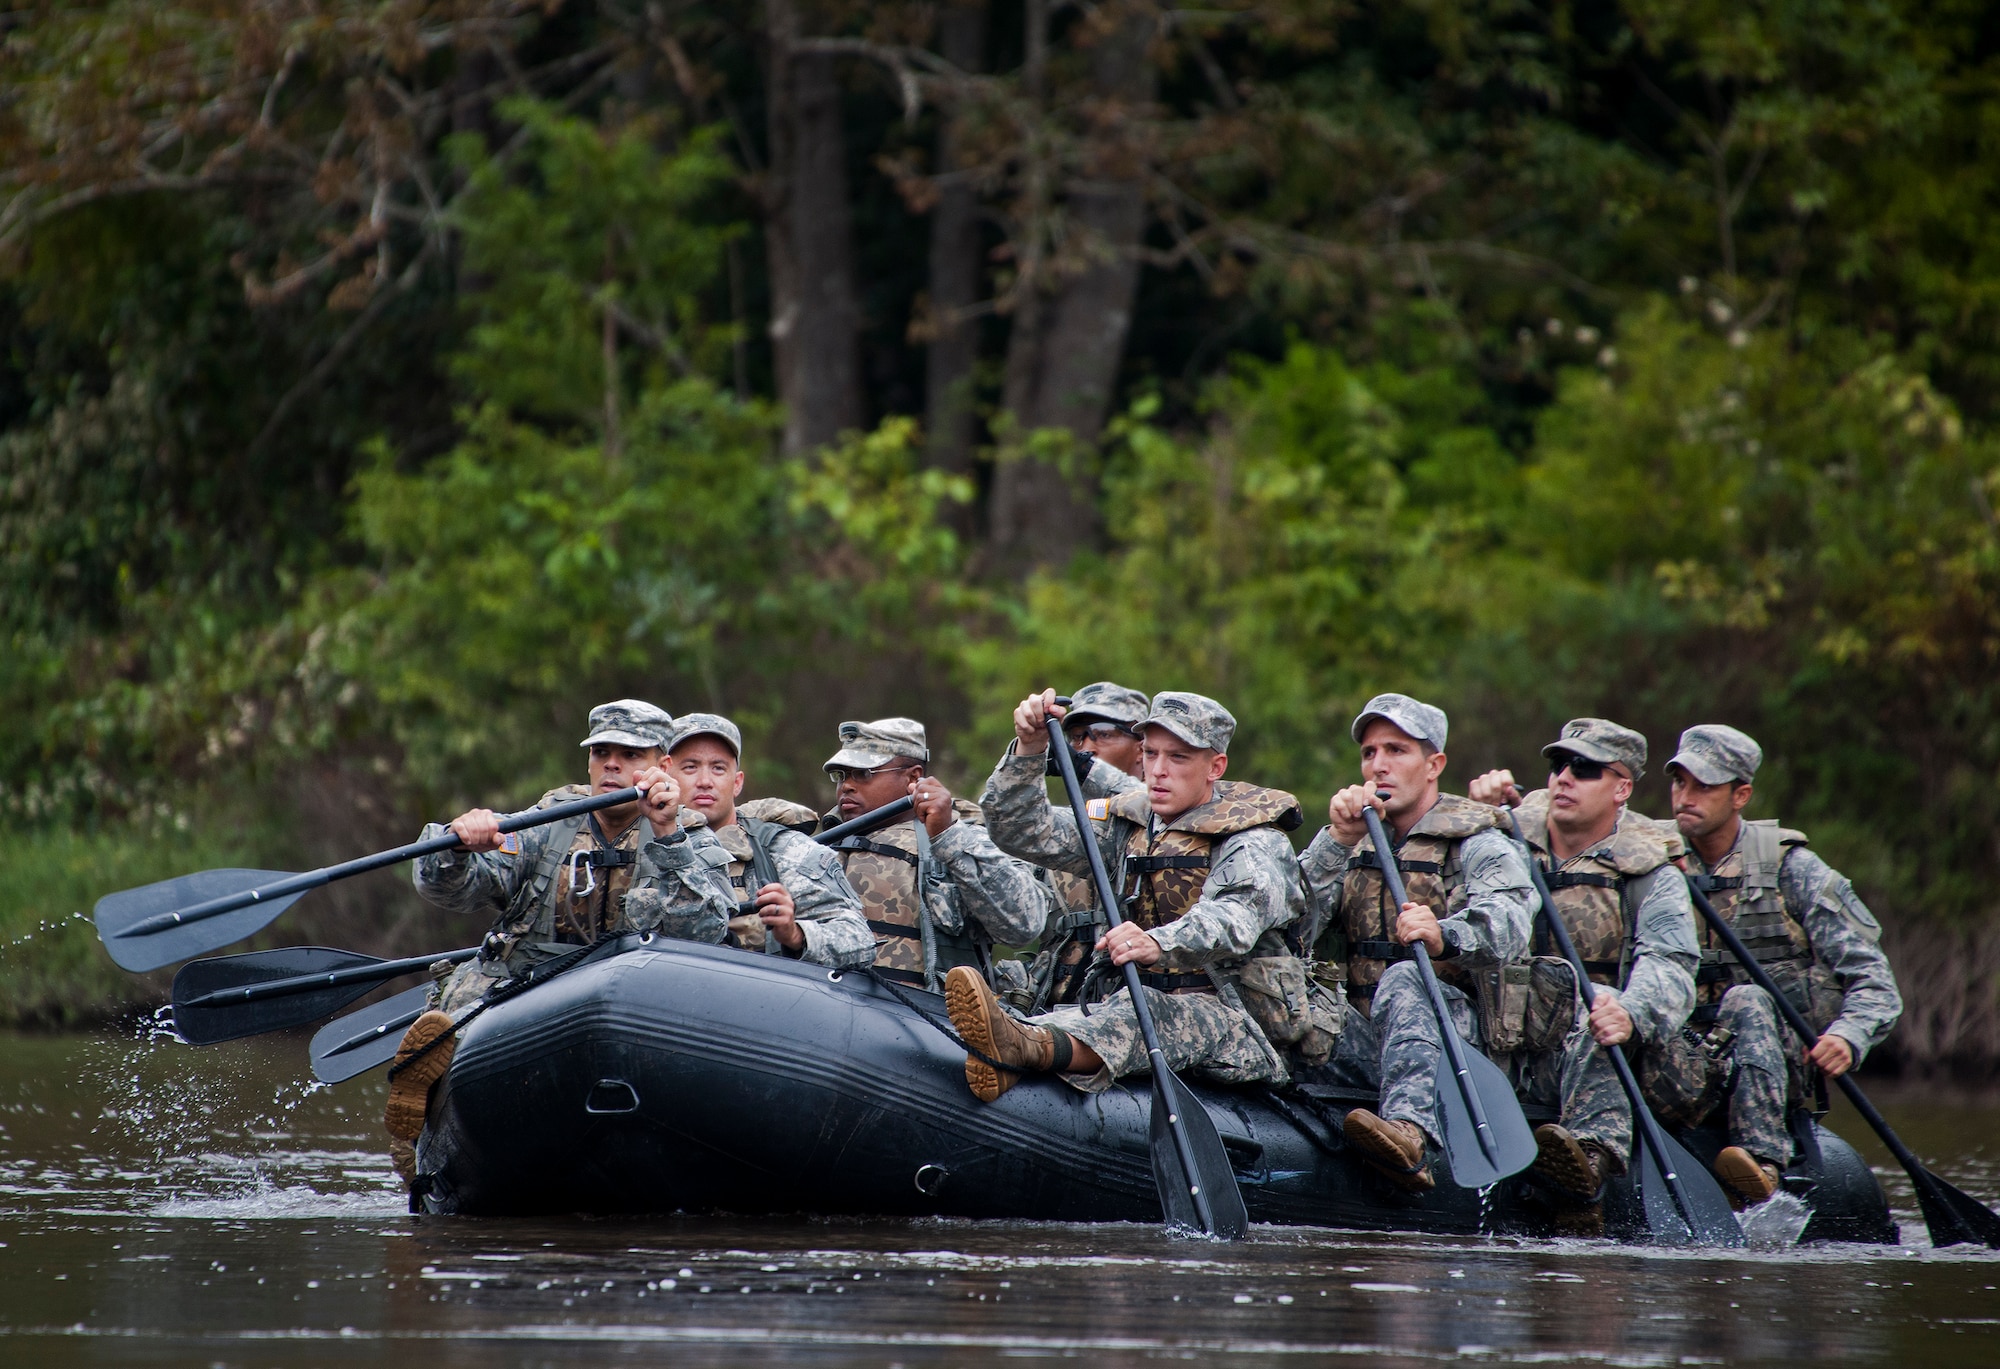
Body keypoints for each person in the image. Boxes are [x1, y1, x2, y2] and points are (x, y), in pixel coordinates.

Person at [384, 700, 737, 1149]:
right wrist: (455, 848)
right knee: (471, 1010)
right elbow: (451, 890)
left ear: (662, 766)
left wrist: (668, 835)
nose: (612, 764)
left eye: (630, 754)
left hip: (632, 1013)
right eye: (601, 752)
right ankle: (430, 1127)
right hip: (522, 996)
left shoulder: (689, 836)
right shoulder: (546, 824)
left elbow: (706, 932)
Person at [950, 690, 1319, 1103]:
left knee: (1147, 1011)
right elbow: (1022, 831)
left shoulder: (1254, 839)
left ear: (1215, 767)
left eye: (1177, 757)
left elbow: (1234, 918)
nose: (1157, 770)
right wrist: (1029, 749)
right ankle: (1016, 1047)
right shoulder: (1129, 824)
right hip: (1131, 1002)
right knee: (1118, 1007)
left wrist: (1158, 942)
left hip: (1239, 1025)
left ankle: (1025, 1049)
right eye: (1151, 753)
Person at [1296, 694, 1538, 1191]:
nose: (1378, 765)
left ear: (1434, 765)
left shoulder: (1478, 841)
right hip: (1370, 1038)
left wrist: (1447, 934)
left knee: (1406, 976)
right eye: (1369, 753)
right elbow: (1290, 925)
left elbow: (1512, 920)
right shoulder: (1353, 840)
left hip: (1458, 1040)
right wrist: (1334, 841)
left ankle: (1409, 1132)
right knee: (1281, 988)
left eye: (1396, 750)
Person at [1654, 724, 1904, 1206]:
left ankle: (1761, 1163)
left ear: (1741, 795)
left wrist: (1848, 1036)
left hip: (1774, 1061)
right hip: (1682, 1061)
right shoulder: (1651, 855)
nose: (1685, 797)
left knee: (1748, 1000)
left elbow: (1874, 981)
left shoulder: (1794, 868)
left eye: (1703, 786)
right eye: (1679, 782)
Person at [1468, 719, 1698, 1235]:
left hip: (1594, 1048)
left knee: (1605, 1002)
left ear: (1622, 788)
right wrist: (1480, 812)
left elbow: (1671, 965)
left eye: (1585, 769)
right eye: (1558, 765)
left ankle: (1588, 1162)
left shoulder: (1651, 875)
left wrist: (1631, 1011)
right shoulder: (1501, 841)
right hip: (1508, 1045)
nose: (1564, 778)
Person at [820, 718, 1050, 990]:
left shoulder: (965, 837)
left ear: (913, 777)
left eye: (863, 773)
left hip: (924, 1010)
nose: (846, 786)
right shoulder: (819, 848)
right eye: (841, 775)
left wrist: (947, 835)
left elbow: (1025, 924)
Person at [979, 680, 1149, 1013]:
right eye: (1076, 737)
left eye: (1102, 734)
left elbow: (1153, 811)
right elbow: (1015, 826)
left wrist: (1084, 768)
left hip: (1143, 1010)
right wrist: (1030, 746)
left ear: (1142, 748)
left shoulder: (1174, 822)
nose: (1086, 746)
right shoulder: (1069, 826)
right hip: (1056, 1010)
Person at [666, 712, 874, 968]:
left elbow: (860, 942)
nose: (705, 782)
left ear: (737, 783)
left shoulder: (785, 850)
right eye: (690, 767)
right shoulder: (635, 845)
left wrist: (796, 934)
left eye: (718, 768)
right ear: (666, 773)